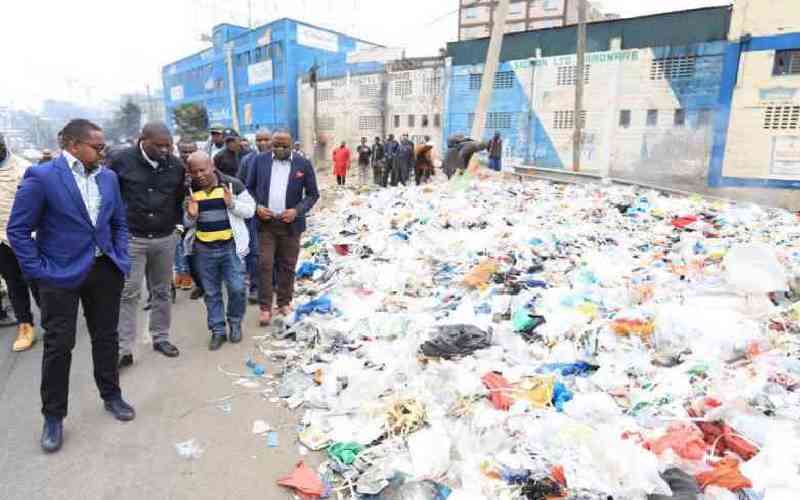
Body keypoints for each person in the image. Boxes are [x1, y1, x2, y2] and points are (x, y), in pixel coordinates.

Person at [8, 119, 135, 453]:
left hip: (104, 269)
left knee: (106, 338)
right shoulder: (43, 177)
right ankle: (53, 416)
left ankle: (112, 395)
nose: (103, 150)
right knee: (58, 346)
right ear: (74, 145)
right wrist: (37, 271)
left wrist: (120, 255)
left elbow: (119, 221)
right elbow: (18, 230)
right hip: (58, 275)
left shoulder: (108, 177)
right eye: (97, 146)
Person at [110, 122, 184, 368]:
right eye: (159, 146)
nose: (164, 150)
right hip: (133, 239)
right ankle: (123, 349)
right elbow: (109, 197)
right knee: (128, 293)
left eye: (168, 146)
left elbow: (180, 199)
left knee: (162, 290)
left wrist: (178, 227)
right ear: (142, 140)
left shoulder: (175, 165)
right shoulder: (121, 161)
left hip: (165, 238)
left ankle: (161, 337)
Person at [246, 131, 319, 326]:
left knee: (287, 265)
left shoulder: (303, 164)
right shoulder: (259, 161)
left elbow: (313, 194)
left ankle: (284, 302)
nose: (279, 150)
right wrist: (257, 207)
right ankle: (264, 308)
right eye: (276, 145)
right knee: (265, 265)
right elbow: (248, 189)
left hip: (291, 226)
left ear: (292, 145)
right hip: (265, 225)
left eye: (284, 146)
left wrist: (297, 211)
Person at [183, 152, 255, 350]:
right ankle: (218, 330)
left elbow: (250, 210)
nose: (199, 175)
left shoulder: (232, 185)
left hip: (230, 247)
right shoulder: (189, 190)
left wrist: (231, 204)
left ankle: (234, 323)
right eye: (194, 171)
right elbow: (187, 222)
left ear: (212, 166)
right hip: (204, 250)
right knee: (211, 292)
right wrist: (191, 216)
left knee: (238, 288)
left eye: (202, 169)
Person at [0, 132, 37, 351]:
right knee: (13, 282)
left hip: (25, 236)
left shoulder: (24, 169)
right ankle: (25, 324)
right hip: (0, 240)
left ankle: (54, 321)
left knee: (36, 280)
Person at [238, 130, 271, 304]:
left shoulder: (281, 160)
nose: (263, 143)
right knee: (255, 252)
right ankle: (256, 287)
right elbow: (242, 187)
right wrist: (255, 206)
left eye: (266, 139)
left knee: (275, 250)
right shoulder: (247, 161)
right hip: (254, 214)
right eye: (259, 140)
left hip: (276, 214)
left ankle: (273, 284)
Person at [174, 141, 199, 291]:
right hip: (177, 210)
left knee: (191, 242)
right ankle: (182, 272)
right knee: (177, 240)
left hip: (196, 210)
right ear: (178, 150)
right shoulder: (174, 166)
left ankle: (192, 273)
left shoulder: (201, 165)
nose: (188, 155)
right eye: (184, 151)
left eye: (191, 151)